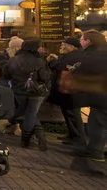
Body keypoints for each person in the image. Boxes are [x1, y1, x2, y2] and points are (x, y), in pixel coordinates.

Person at [2, 39, 51, 151]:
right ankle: (28, 138)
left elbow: (5, 74)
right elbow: (45, 77)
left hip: (19, 91)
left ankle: (29, 139)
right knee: (31, 113)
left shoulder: (13, 59)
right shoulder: (39, 61)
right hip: (36, 92)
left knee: (25, 112)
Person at [70, 30, 107, 163]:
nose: (80, 41)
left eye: (81, 39)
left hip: (101, 94)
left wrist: (74, 70)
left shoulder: (93, 55)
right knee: (98, 121)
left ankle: (96, 151)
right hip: (100, 94)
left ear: (88, 41)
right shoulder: (101, 53)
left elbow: (86, 71)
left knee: (98, 123)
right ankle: (95, 148)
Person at [46, 37, 84, 146]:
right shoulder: (72, 55)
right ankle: (72, 135)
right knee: (68, 113)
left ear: (71, 47)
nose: (61, 47)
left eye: (64, 45)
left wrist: (52, 61)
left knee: (72, 114)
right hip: (67, 90)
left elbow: (59, 67)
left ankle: (77, 137)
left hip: (71, 91)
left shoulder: (74, 56)